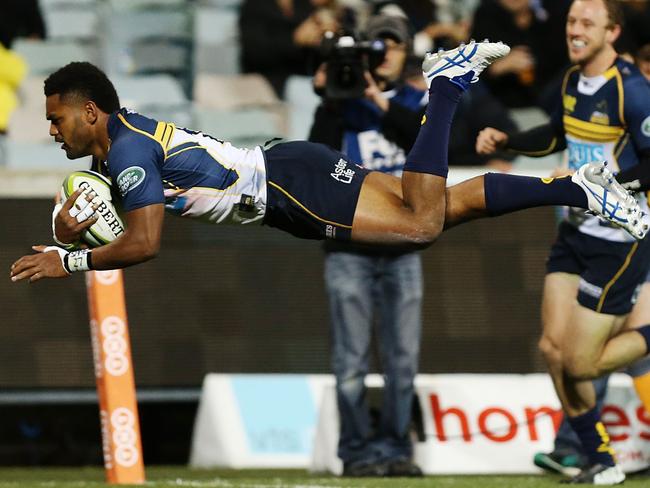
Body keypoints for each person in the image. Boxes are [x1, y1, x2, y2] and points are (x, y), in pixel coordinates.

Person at [8, 41, 646, 304]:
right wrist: (71, 228)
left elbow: (145, 244)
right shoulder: (119, 138)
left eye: (58, 118)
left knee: (421, 225)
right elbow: (113, 203)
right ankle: (576, 185)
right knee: (446, 205)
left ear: (91, 111)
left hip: (287, 190)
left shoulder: (123, 153)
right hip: (290, 167)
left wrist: (72, 261)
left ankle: (447, 87)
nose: (51, 129)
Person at [475, 0, 650, 484]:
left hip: (620, 240)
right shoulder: (572, 82)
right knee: (553, 349)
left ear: (612, 32)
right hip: (574, 233)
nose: (575, 30)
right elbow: (557, 135)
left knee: (580, 361)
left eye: (587, 23)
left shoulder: (632, 90)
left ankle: (600, 452)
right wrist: (508, 141)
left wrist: (602, 187)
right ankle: (599, 459)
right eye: (572, 21)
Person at [308, 14, 425, 477]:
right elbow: (315, 156)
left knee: (403, 359)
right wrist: (334, 98)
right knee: (351, 360)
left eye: (393, 45)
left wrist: (376, 100)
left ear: (406, 50)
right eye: (377, 47)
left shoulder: (418, 101)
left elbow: (428, 140)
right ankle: (356, 452)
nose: (386, 54)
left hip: (403, 245)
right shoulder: (339, 103)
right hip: (349, 247)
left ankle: (397, 450)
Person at [470, 0, 570, 108]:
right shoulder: (485, 15)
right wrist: (497, 68)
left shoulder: (553, 14)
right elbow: (468, 72)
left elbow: (564, 66)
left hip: (550, 103)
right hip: (499, 105)